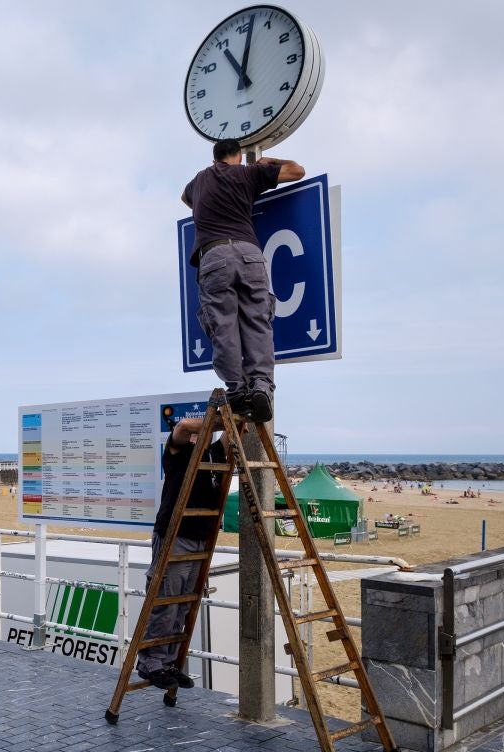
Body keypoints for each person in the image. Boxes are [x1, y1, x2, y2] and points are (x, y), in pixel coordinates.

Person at [183, 138, 304, 423]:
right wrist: (265, 162)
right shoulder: (248, 173)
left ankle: (237, 391)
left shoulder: (199, 181)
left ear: (214, 160)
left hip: (213, 256)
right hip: (250, 254)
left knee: (223, 326)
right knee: (257, 322)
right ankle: (261, 385)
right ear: (238, 156)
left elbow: (186, 198)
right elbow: (297, 171)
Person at [136, 416, 225, 691]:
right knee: (166, 601)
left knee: (184, 604)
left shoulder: (213, 454)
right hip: (175, 535)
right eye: (203, 432)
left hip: (200, 539)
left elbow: (233, 437)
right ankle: (150, 661)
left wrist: (238, 418)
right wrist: (219, 419)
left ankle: (169, 661)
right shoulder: (178, 452)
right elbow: (184, 427)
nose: (204, 436)